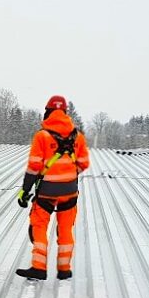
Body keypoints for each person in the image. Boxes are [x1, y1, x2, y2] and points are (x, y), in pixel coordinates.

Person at [15, 95, 90, 280]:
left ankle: (39, 268)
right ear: (65, 113)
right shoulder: (77, 136)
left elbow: (34, 167)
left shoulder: (42, 136)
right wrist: (69, 173)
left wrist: (25, 190)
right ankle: (64, 269)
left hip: (46, 192)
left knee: (39, 225)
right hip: (70, 192)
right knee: (65, 228)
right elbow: (84, 163)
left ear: (48, 111)